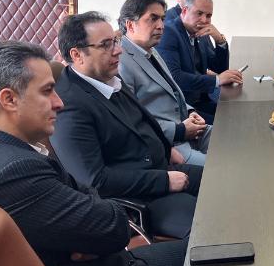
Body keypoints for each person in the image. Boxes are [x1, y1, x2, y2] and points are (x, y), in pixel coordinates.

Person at [0, 41, 186, 266]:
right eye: (47, 91)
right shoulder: (14, 173)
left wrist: (92, 232)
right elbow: (115, 228)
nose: (59, 102)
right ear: (9, 99)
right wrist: (97, 227)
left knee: (204, 249)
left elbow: (91, 204)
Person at [52, 12, 202, 239]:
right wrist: (163, 181)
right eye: (105, 45)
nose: (118, 50)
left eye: (115, 41)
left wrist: (165, 147)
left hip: (160, 169)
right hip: (139, 199)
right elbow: (94, 181)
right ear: (77, 55)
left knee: (227, 184)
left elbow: (139, 121)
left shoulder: (106, 77)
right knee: (211, 227)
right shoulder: (69, 106)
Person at [119, 0, 211, 166]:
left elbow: (172, 90)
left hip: (188, 128)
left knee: (234, 140)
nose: (161, 26)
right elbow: (131, 121)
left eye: (162, 19)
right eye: (153, 19)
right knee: (224, 167)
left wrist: (190, 112)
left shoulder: (151, 50)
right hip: (170, 143)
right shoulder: (120, 62)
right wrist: (179, 130)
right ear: (130, 24)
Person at [156, 0, 242, 124]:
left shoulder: (200, 32)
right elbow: (175, 77)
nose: (204, 20)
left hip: (201, 100)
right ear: (185, 10)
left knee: (238, 113)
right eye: (199, 13)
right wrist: (217, 79)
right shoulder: (169, 32)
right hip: (183, 108)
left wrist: (219, 40)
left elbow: (220, 68)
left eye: (209, 16)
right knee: (227, 124)